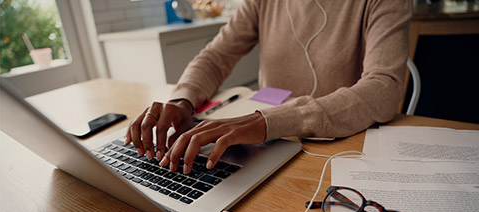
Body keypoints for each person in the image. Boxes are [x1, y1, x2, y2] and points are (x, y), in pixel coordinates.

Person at [125, 0, 413, 174]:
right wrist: (182, 100)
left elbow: (384, 88)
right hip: (265, 147)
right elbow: (215, 57)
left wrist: (268, 122)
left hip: (340, 151)